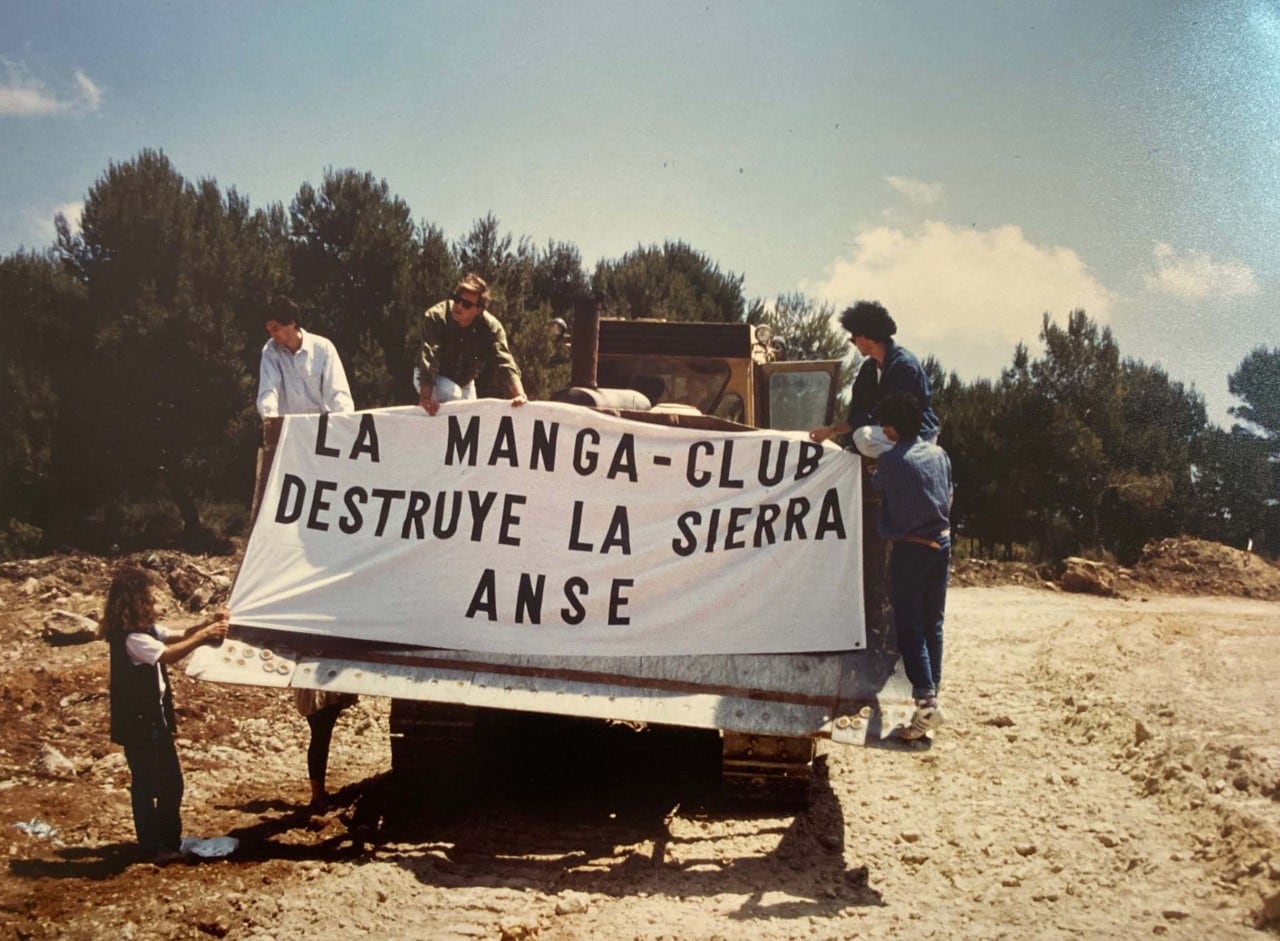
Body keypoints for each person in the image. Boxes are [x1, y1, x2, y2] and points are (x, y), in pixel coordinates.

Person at [100, 564, 228, 863]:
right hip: (141, 725)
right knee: (156, 783)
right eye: (150, 600)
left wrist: (208, 625)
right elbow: (168, 653)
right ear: (135, 603)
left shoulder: (145, 632)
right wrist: (204, 635)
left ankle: (162, 840)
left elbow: (180, 634)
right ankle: (156, 844)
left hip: (149, 721)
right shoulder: (132, 639)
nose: (155, 605)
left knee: (158, 782)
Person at [870, 392, 953, 741]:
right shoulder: (939, 455)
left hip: (911, 549)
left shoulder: (891, 461)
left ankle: (926, 700)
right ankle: (931, 698)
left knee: (909, 626)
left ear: (891, 428)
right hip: (942, 543)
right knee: (933, 622)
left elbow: (873, 488)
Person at [809, 301, 939, 457]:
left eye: (853, 339)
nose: (854, 345)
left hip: (919, 436)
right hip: (889, 435)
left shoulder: (904, 366)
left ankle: (904, 461)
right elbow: (859, 411)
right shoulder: (868, 369)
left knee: (863, 436)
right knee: (858, 438)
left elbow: (883, 414)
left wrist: (832, 431)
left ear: (865, 338)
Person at [414, 273, 528, 414]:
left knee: (472, 415)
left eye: (466, 304)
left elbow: (505, 362)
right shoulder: (436, 316)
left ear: (479, 310)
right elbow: (429, 358)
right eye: (456, 299)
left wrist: (519, 395)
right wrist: (425, 398)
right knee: (455, 397)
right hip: (430, 377)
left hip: (465, 382)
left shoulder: (492, 328)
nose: (459, 306)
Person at [256, 296, 354, 420]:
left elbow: (338, 393)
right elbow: (268, 390)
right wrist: (271, 421)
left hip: (323, 427)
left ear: (292, 323)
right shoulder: (270, 351)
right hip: (290, 430)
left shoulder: (323, 348)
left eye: (275, 329)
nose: (272, 335)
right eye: (269, 330)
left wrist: (345, 424)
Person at [293, 687, 358, 810]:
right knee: (320, 738)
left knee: (321, 738)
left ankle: (318, 793)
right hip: (319, 689)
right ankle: (317, 796)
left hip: (326, 688)